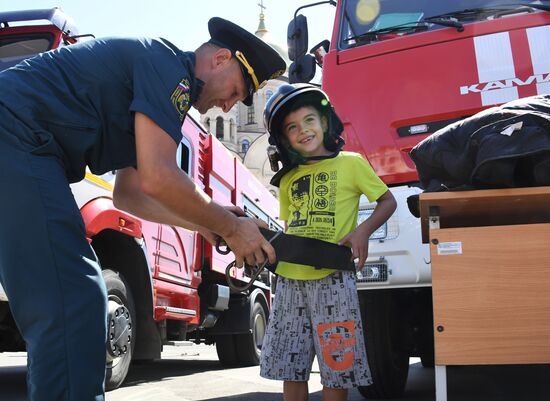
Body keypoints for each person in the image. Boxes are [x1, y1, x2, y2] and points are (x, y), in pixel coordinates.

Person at [0, 17, 285, 401]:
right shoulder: (171, 69)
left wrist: (206, 225)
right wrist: (231, 228)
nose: (228, 104)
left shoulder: (158, 81)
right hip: (15, 134)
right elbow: (159, 176)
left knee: (72, 300)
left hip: (19, 141)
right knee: (76, 301)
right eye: (236, 91)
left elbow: (131, 194)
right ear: (220, 59)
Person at [260, 84, 397, 401]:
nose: (303, 131)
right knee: (290, 365)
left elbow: (387, 201)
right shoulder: (287, 179)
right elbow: (290, 224)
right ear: (284, 139)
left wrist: (362, 231)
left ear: (324, 122)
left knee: (338, 365)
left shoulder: (352, 163)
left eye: (309, 120)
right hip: (290, 280)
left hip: (334, 277)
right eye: (292, 127)